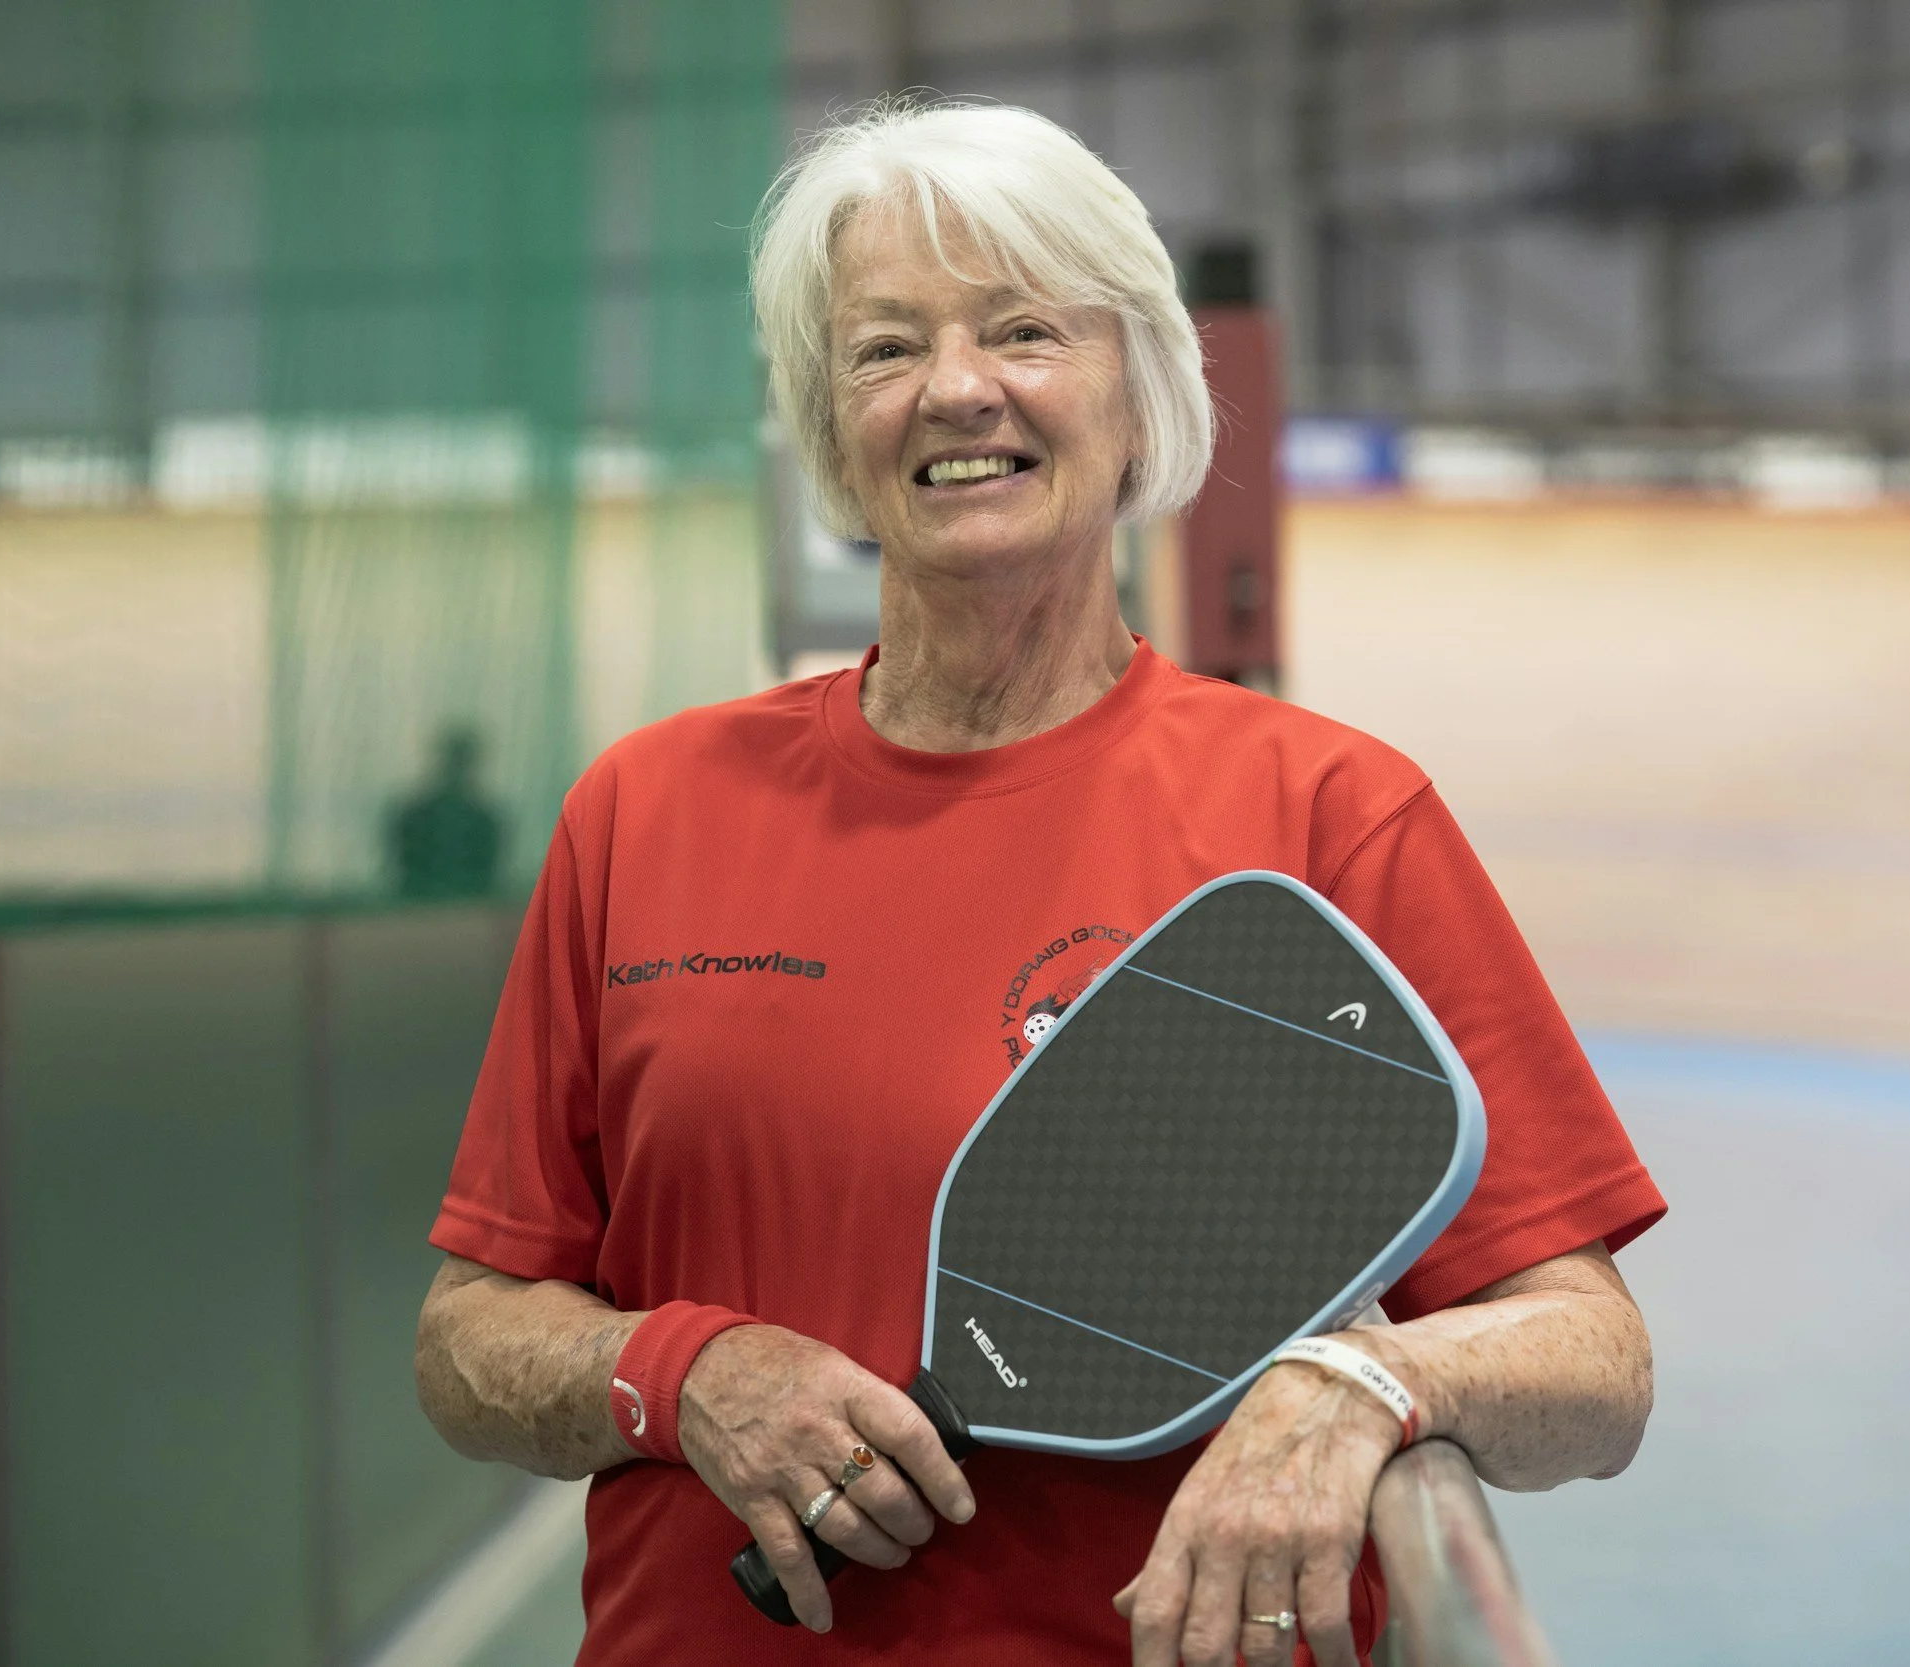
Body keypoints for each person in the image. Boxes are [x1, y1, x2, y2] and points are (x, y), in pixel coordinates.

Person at [413, 99, 1663, 1667]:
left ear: (1139, 396)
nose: (955, 387)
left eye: (1023, 329)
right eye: (882, 348)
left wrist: (1360, 1385)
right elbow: (469, 1338)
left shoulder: (1332, 811)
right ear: (828, 427)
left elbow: (1593, 1358)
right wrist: (680, 1372)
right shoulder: (644, 810)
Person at [386, 724, 504, 898]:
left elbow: (487, 879)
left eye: (461, 760)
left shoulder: (484, 822)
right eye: (455, 760)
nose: (457, 767)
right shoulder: (415, 819)